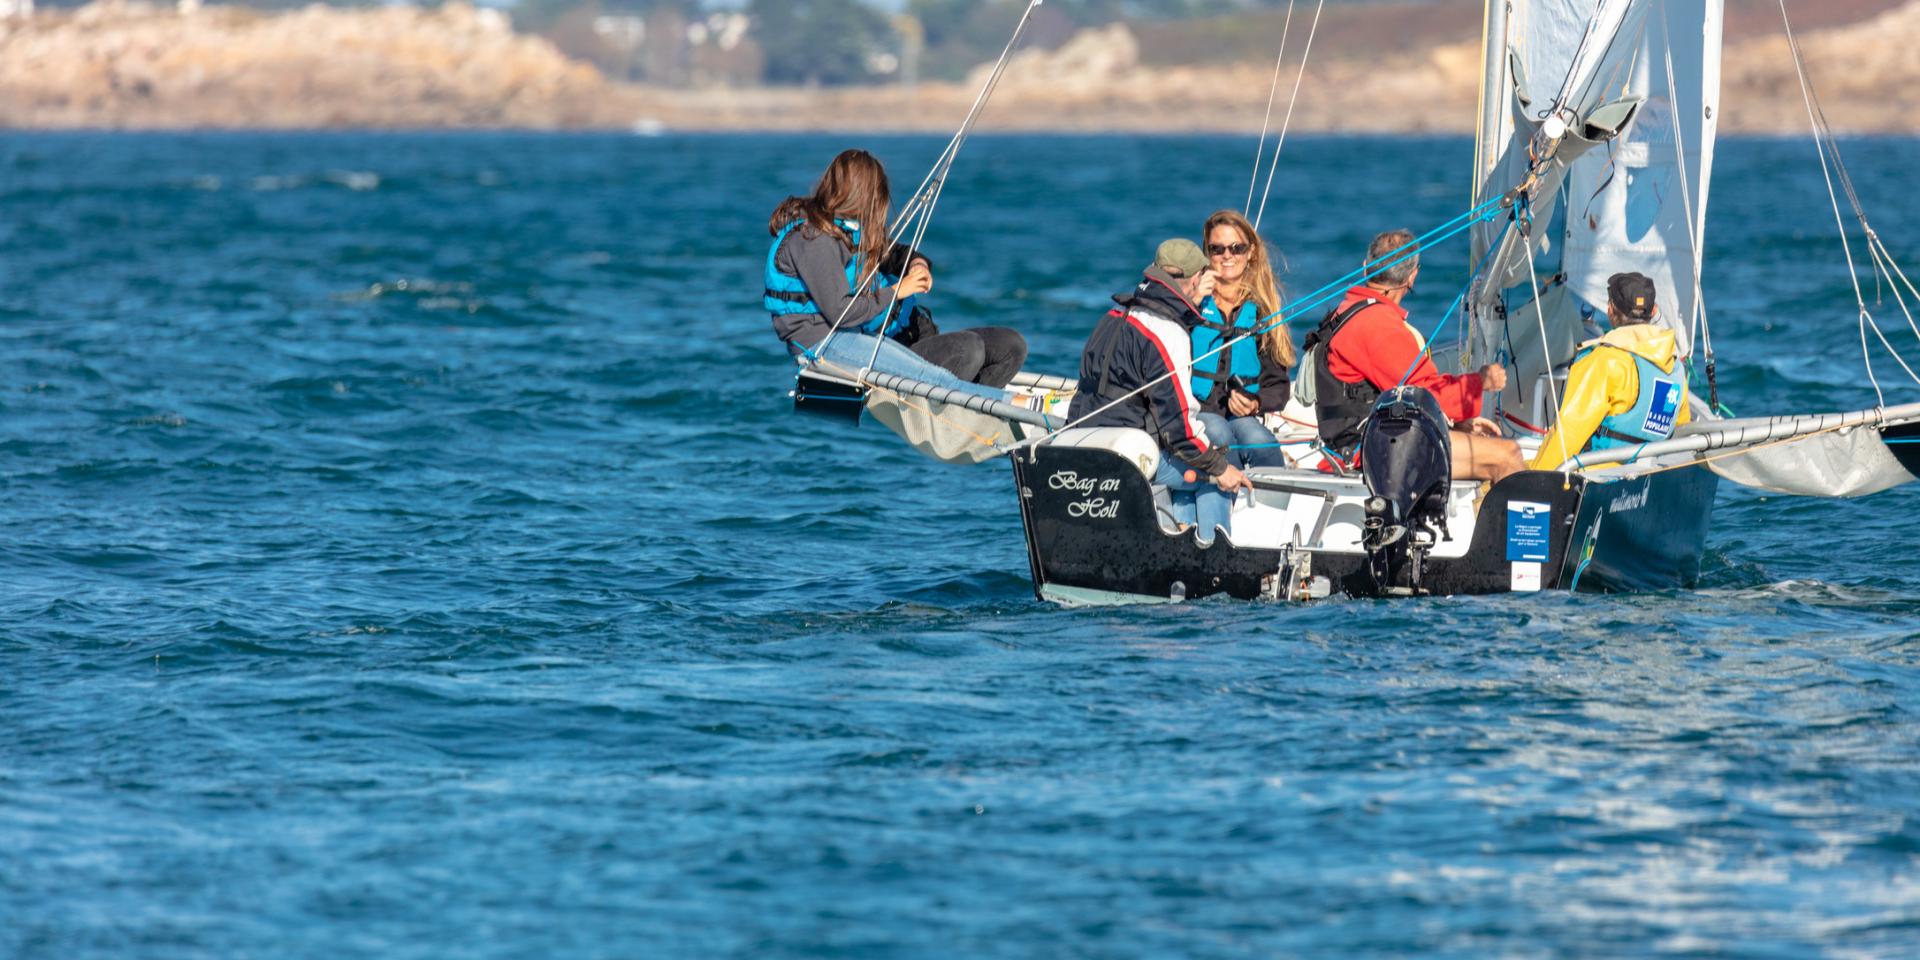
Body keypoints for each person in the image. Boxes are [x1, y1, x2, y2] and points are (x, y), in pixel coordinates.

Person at [765, 149, 1026, 397]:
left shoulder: (849, 231)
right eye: (878, 197)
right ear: (861, 196)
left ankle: (981, 410)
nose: (880, 206)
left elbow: (895, 253)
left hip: (889, 337)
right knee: (967, 351)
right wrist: (900, 289)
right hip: (826, 347)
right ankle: (1003, 406)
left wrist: (918, 265)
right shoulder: (813, 240)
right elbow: (841, 312)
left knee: (1010, 346)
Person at [1067, 239, 1253, 543]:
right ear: (1195, 279)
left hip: (1084, 442)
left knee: (1199, 462)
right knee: (1217, 477)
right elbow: (1179, 428)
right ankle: (1209, 561)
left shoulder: (1114, 316)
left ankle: (1182, 536)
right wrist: (1221, 469)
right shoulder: (1167, 331)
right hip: (1127, 457)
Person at [1305, 228, 1526, 483]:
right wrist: (1481, 381)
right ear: (1412, 277)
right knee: (1508, 454)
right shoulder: (1378, 326)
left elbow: (1402, 395)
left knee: (1486, 447)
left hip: (1363, 443)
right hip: (1372, 451)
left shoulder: (1348, 311)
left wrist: (1454, 426)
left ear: (1366, 267)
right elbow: (1427, 395)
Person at [1531, 272, 1692, 470]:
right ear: (1654, 310)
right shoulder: (1675, 368)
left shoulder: (1604, 361)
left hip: (1595, 476)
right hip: (1643, 474)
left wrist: (1536, 475)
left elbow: (1569, 433)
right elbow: (1682, 429)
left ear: (1610, 310)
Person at [1189, 210, 1293, 468]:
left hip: (1240, 416)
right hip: (1197, 411)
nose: (1227, 256)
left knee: (1260, 441)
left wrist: (1255, 403)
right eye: (1217, 249)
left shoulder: (1261, 311)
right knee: (1219, 435)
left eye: (1236, 248)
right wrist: (1189, 303)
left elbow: (1278, 388)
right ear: (1207, 254)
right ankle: (1229, 493)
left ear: (1251, 252)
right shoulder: (1191, 304)